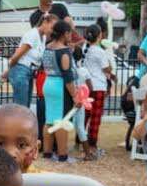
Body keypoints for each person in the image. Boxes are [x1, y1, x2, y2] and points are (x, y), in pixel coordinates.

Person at [40, 19, 77, 161]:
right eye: (70, 33)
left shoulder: (48, 47)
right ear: (65, 33)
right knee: (62, 120)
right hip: (60, 87)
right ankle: (62, 154)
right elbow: (67, 76)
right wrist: (74, 95)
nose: (71, 36)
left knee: (49, 119)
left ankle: (47, 153)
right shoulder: (64, 51)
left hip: (48, 83)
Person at [81, 22, 114, 159]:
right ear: (100, 36)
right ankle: (92, 145)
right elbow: (107, 69)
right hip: (99, 86)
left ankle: (81, 141)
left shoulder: (85, 49)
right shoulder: (100, 51)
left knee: (85, 115)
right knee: (95, 117)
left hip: (87, 86)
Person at [7, 10, 51, 110]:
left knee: (25, 106)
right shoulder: (33, 34)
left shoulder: (43, 37)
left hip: (29, 71)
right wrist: (10, 70)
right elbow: (16, 56)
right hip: (21, 70)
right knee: (21, 106)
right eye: (51, 27)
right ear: (45, 22)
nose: (52, 30)